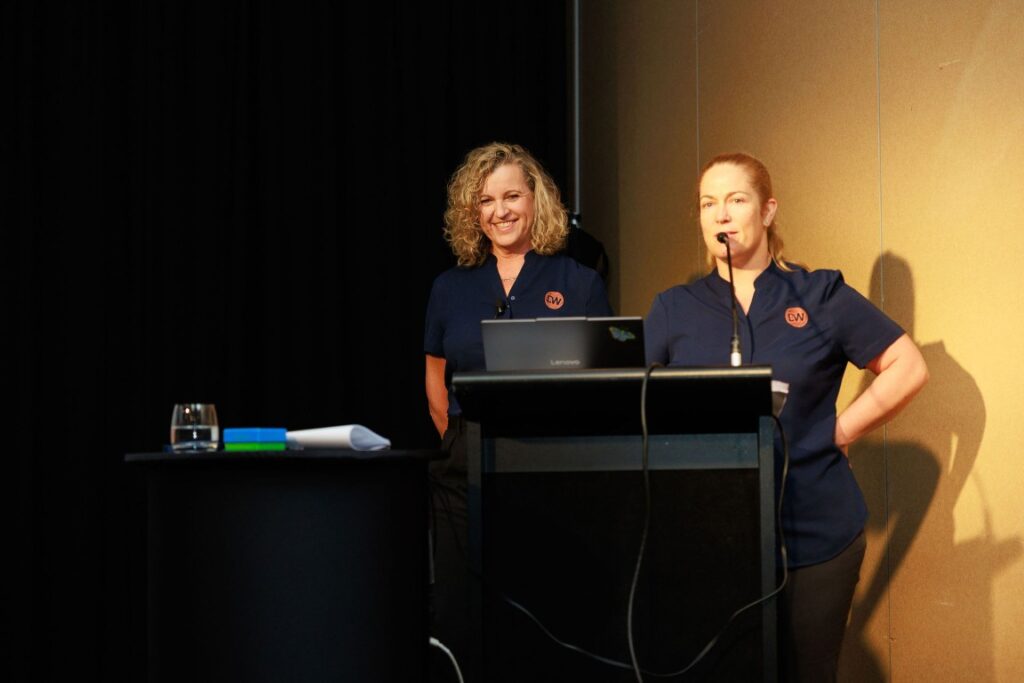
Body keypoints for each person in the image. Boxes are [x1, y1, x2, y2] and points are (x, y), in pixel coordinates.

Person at [644, 152, 928, 682]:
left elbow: (907, 366)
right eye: (708, 203)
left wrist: (839, 431)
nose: (720, 214)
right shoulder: (673, 308)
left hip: (814, 533)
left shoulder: (819, 295)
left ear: (768, 210)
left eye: (736, 200)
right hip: (709, 538)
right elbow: (634, 406)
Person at [423, 142, 613, 679]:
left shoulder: (579, 281)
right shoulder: (450, 287)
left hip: (554, 470)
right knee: (462, 619)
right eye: (485, 201)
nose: (499, 211)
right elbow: (435, 380)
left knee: (545, 619)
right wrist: (459, 440)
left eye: (511, 196)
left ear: (536, 200)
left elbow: (605, 380)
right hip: (463, 472)